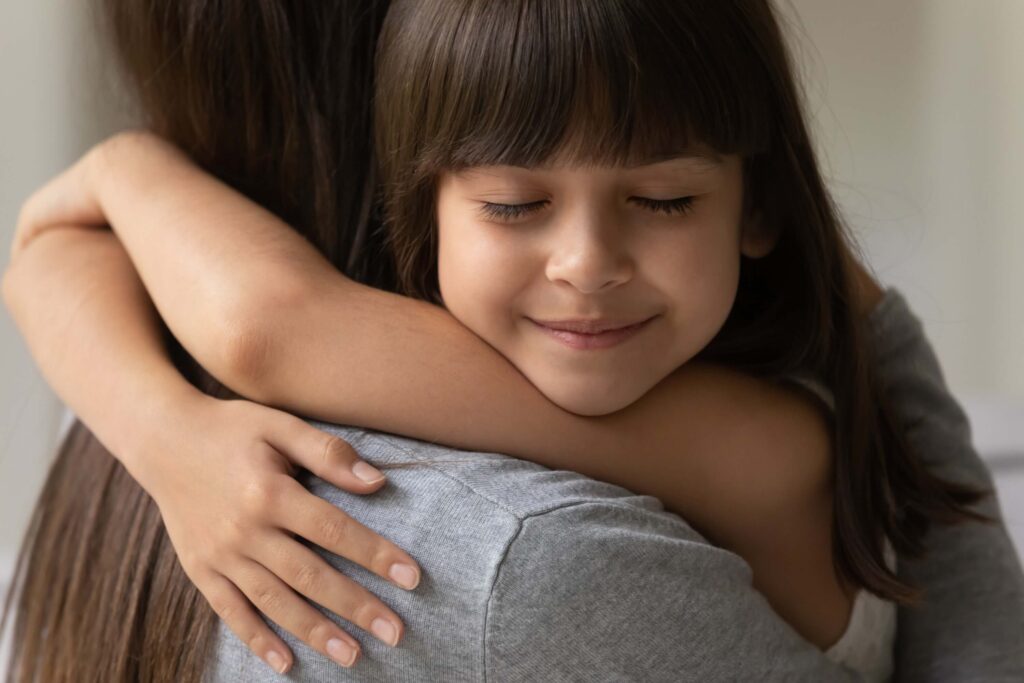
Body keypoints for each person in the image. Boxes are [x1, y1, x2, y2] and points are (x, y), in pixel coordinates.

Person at [4, 0, 1023, 680]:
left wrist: (121, 172)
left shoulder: (754, 447)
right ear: (419, 195)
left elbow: (271, 325)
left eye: (664, 199)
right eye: (512, 202)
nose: (585, 262)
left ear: (759, 208)